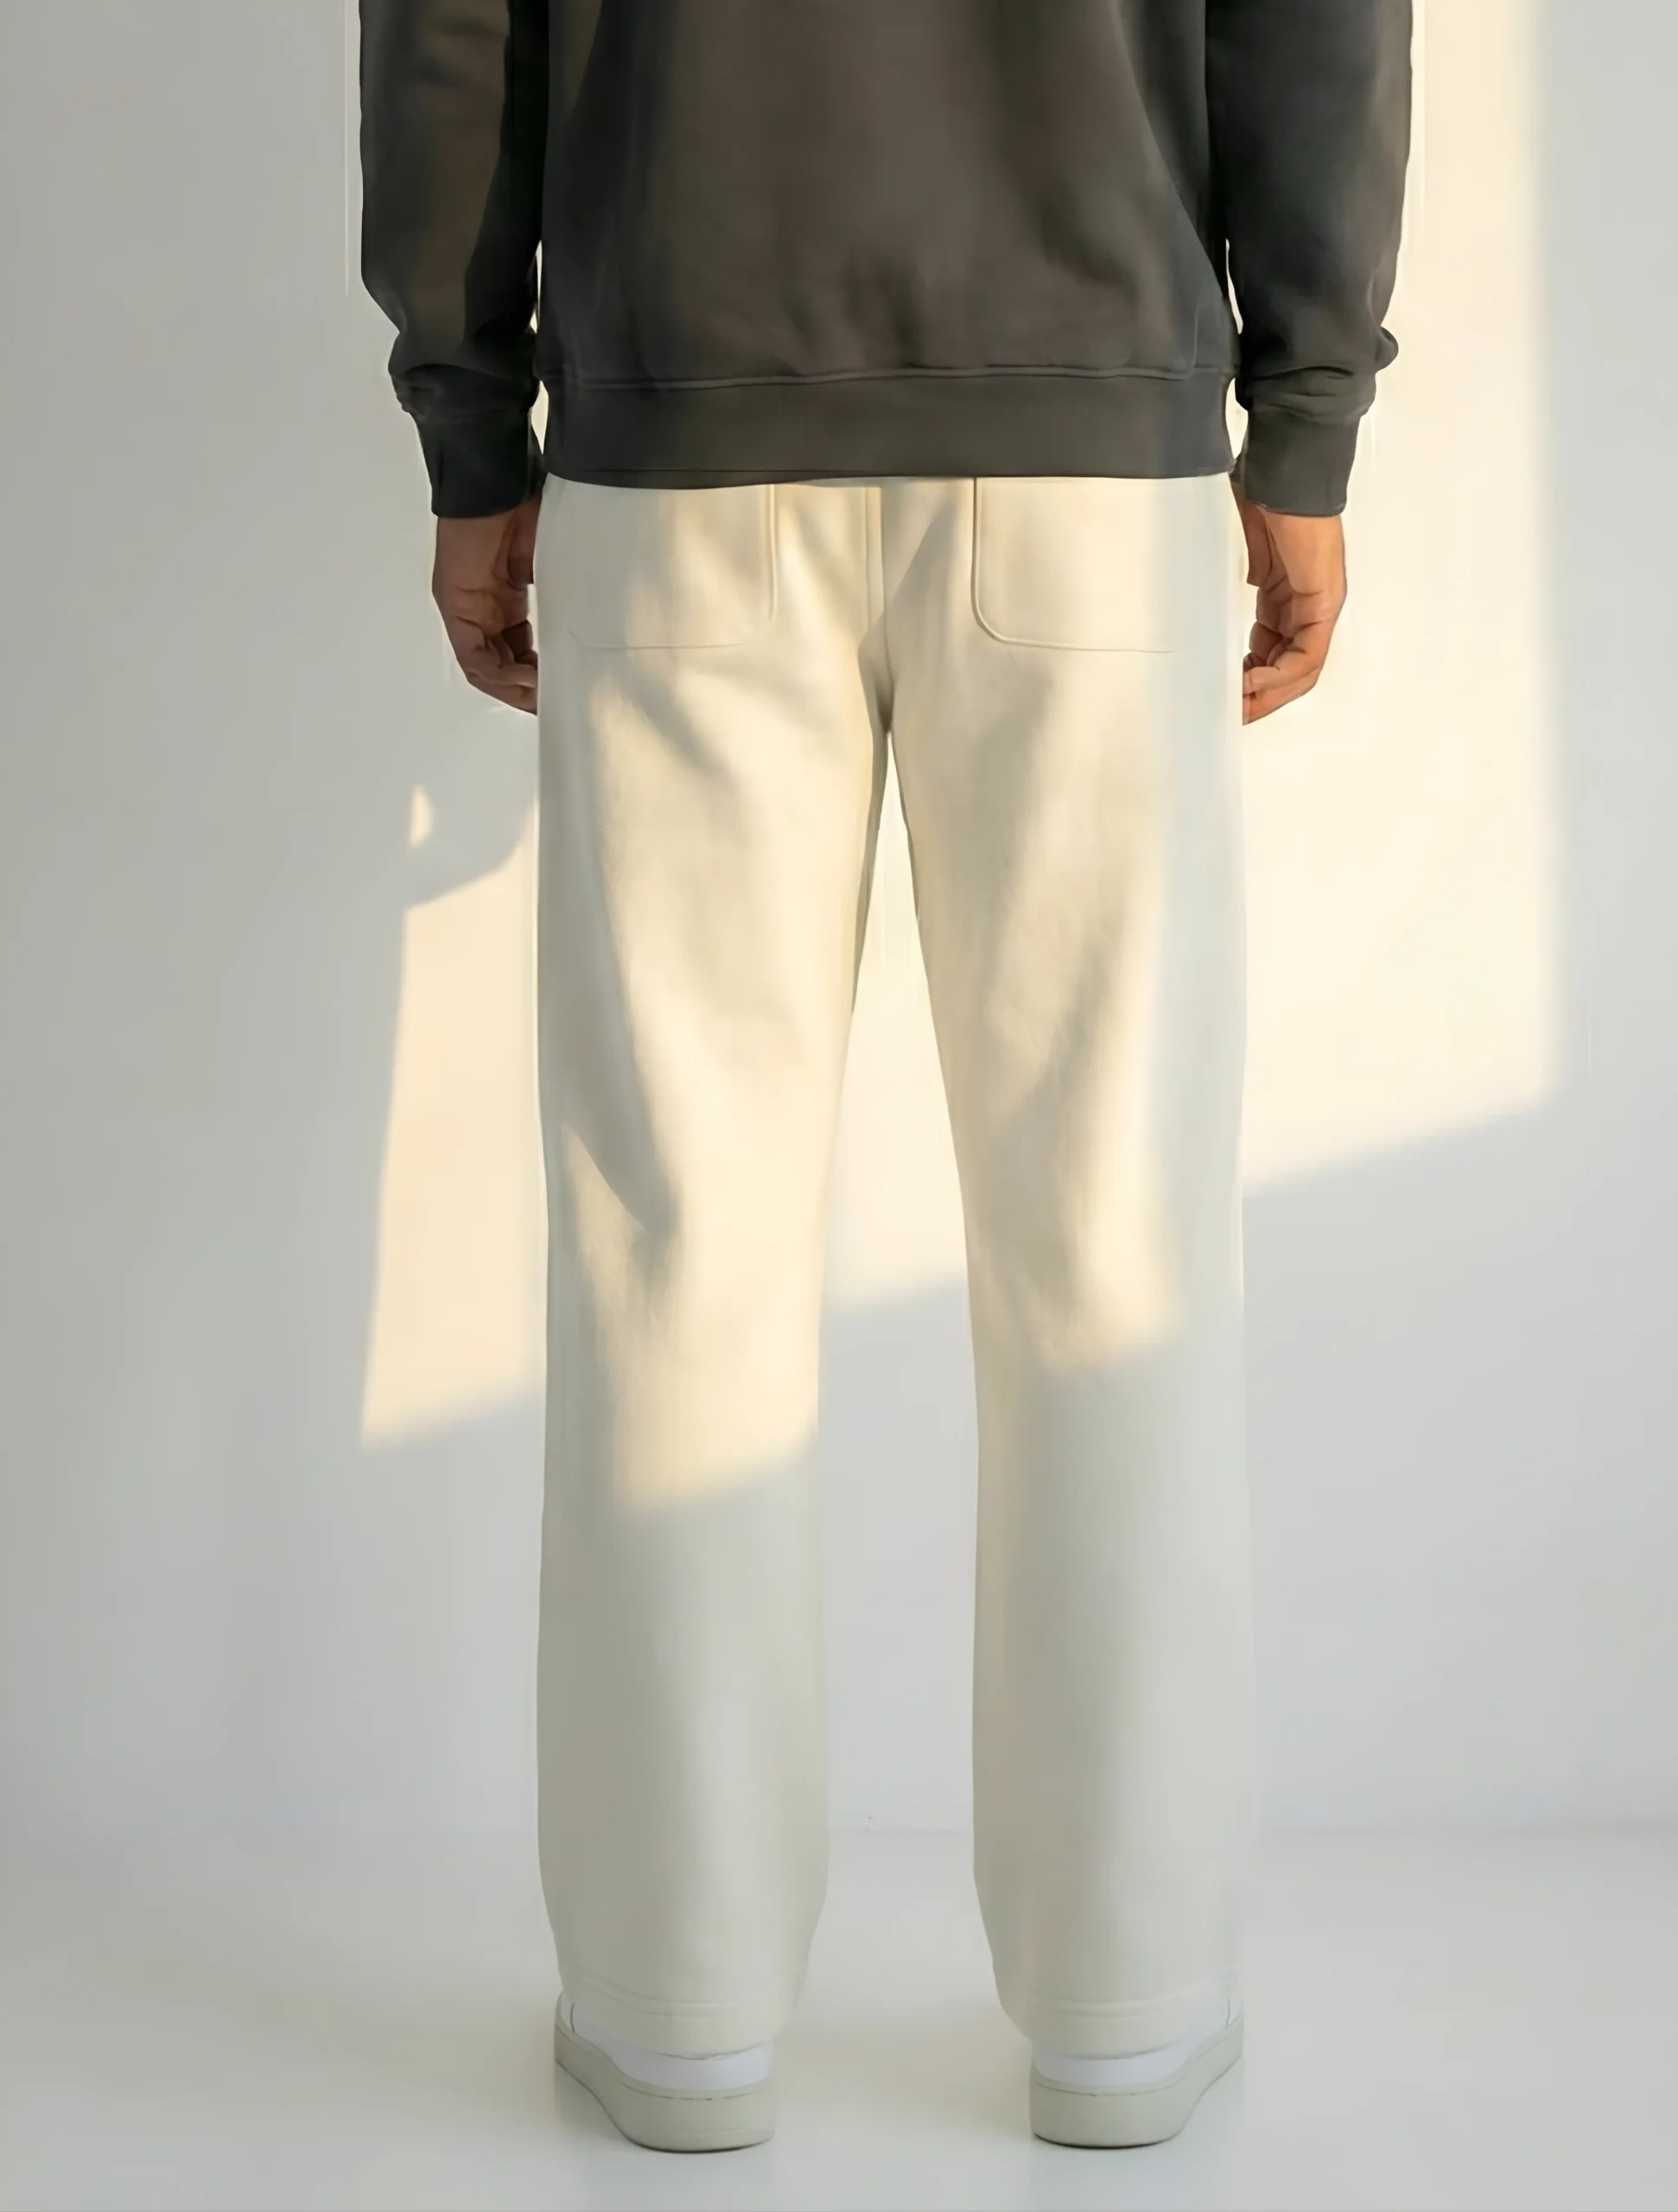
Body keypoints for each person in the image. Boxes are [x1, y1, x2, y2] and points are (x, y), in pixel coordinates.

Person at [359, 0, 1410, 2155]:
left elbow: (448, 29)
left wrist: (476, 434)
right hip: (1090, 453)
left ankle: (674, 2007)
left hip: (677, 438)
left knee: (678, 1250)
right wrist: (1302, 422)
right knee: (1114, 1251)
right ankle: (1126, 2005)